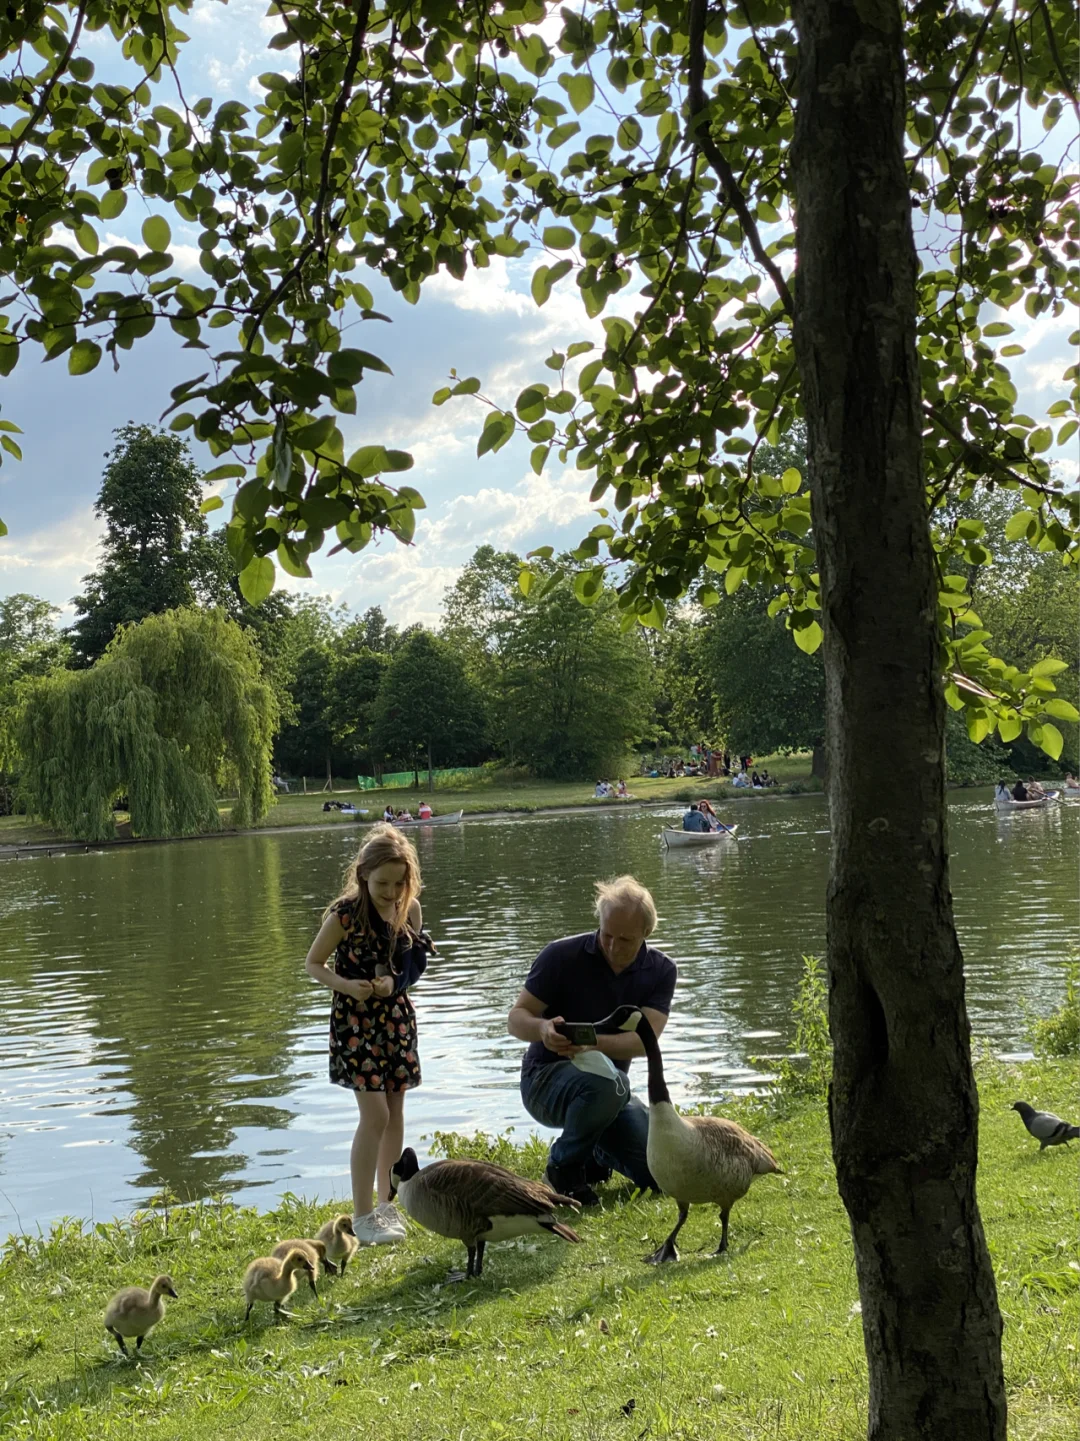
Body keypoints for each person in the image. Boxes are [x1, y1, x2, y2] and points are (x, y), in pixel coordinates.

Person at [303, 825, 437, 1246]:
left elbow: (411, 967)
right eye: (383, 884)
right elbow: (313, 963)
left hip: (396, 1019)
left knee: (395, 1111)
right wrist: (346, 985)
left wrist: (393, 983)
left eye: (400, 884)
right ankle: (361, 1215)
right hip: (356, 1024)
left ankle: (386, 1204)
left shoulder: (409, 910)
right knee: (375, 1115)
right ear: (363, 874)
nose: (391, 893)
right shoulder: (344, 916)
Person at [507, 876, 675, 1204]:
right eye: (606, 935)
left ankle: (594, 1152)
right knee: (612, 1084)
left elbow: (646, 1041)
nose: (613, 947)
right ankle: (563, 1169)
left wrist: (592, 1044)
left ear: (646, 933)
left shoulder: (661, 970)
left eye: (625, 939)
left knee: (661, 1171)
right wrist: (542, 1029)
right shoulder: (559, 956)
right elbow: (516, 1019)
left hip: (612, 1090)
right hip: (544, 1079)